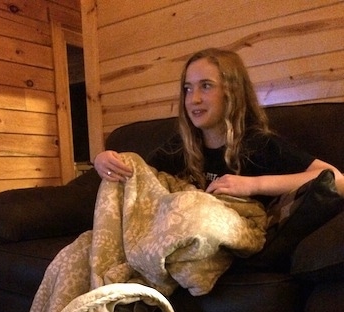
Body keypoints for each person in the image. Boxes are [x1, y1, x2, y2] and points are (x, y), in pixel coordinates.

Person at [93, 48, 343, 200]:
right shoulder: (181, 145)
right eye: (188, 89)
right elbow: (138, 178)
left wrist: (253, 185)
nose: (194, 99)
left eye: (206, 86)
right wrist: (103, 160)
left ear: (232, 91)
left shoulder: (257, 144)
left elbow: (337, 179)